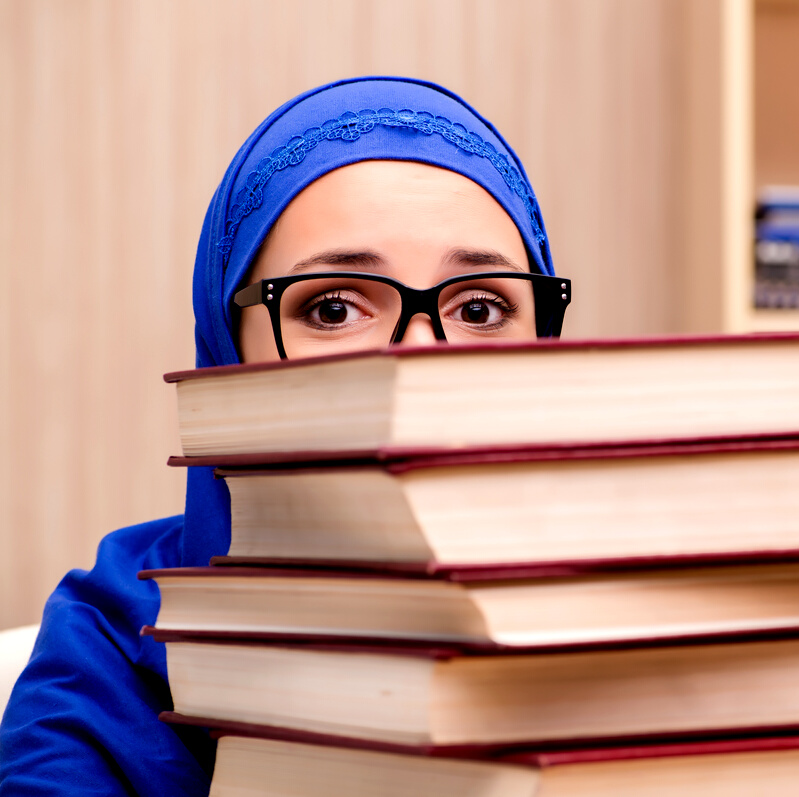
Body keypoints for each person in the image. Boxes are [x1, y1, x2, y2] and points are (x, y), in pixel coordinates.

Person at [0, 76, 567, 795]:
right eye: (333, 308)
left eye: (481, 309)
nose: (421, 356)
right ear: (228, 347)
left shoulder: (668, 608)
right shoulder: (113, 639)